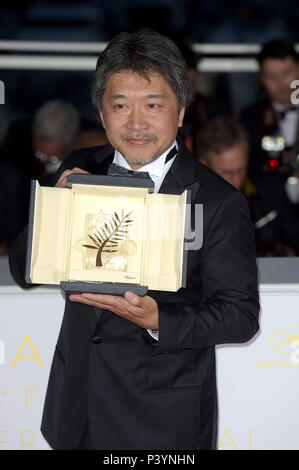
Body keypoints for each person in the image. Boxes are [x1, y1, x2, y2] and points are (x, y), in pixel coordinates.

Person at [9, 29, 260, 451]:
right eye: (121, 105)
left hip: (162, 420)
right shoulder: (78, 168)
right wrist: (54, 209)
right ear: (102, 114)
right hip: (76, 408)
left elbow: (240, 316)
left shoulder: (218, 201)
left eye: (153, 105)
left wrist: (159, 319)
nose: (137, 123)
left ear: (180, 112)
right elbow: (24, 271)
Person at [197, 117, 299, 257]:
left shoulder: (268, 187)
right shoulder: (189, 205)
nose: (237, 179)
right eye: (227, 173)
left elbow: (294, 238)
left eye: (242, 169)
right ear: (204, 166)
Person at [240, 39, 299, 177]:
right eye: (271, 76)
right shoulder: (251, 116)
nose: (280, 83)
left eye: (286, 73)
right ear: (261, 78)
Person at [0, 99, 80, 186]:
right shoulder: (19, 161)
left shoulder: (78, 168)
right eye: (39, 153)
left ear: (70, 144)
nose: (42, 160)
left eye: (53, 159)